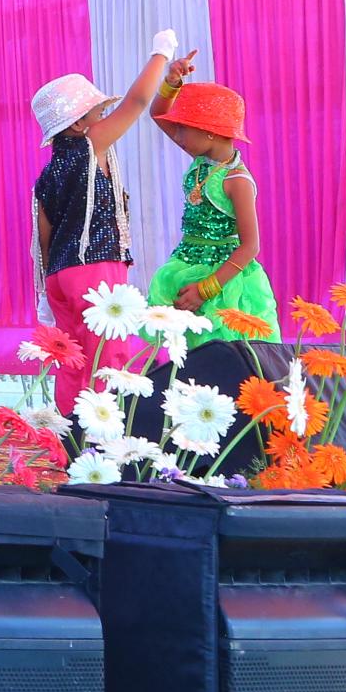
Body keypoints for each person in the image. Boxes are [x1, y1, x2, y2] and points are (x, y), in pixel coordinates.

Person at [28, 34, 179, 418]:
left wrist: (46, 291)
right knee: (108, 356)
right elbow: (138, 102)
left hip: (60, 276)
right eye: (98, 112)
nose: (105, 118)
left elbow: (43, 237)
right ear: (79, 123)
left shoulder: (47, 174)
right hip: (95, 266)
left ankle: (71, 433)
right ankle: (102, 436)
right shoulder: (88, 145)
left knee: (71, 358)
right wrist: (160, 53)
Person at [146, 78, 279, 344]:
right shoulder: (203, 162)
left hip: (221, 280)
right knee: (187, 352)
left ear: (209, 132)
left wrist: (205, 290)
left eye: (183, 129)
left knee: (221, 350)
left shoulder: (236, 180)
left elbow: (250, 246)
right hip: (186, 265)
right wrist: (171, 84)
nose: (177, 137)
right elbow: (157, 113)